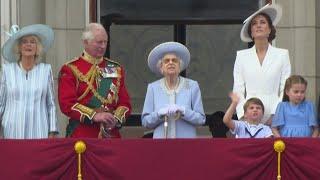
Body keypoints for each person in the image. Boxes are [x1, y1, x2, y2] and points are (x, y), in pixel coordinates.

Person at [58, 23, 131, 138]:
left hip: (111, 135)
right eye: (99, 42)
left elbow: (125, 103)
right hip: (82, 135)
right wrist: (94, 115)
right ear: (86, 42)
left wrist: (115, 119)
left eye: (105, 42)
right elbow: (66, 104)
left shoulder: (115, 68)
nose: (102, 46)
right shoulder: (70, 68)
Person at [233, 4, 291, 125]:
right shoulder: (241, 56)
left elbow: (285, 88)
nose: (258, 25)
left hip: (274, 116)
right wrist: (244, 116)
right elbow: (238, 89)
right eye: (254, 23)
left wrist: (276, 116)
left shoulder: (282, 54)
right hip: (248, 115)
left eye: (263, 22)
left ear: (270, 29)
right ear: (251, 32)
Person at [0, 24, 58, 139]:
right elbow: (1, 102)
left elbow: (51, 104)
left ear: (38, 47)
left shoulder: (45, 70)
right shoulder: (7, 70)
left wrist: (52, 131)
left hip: (39, 131)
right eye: (24, 42)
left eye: (33, 42)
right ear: (19, 47)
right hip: (12, 132)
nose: (28, 45)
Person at [141, 42, 206, 138]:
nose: (170, 63)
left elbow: (201, 119)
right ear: (161, 67)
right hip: (161, 146)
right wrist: (158, 114)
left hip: (186, 145)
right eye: (166, 61)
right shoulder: (153, 88)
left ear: (180, 66)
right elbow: (145, 122)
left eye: (174, 60)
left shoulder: (192, 86)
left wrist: (184, 111)